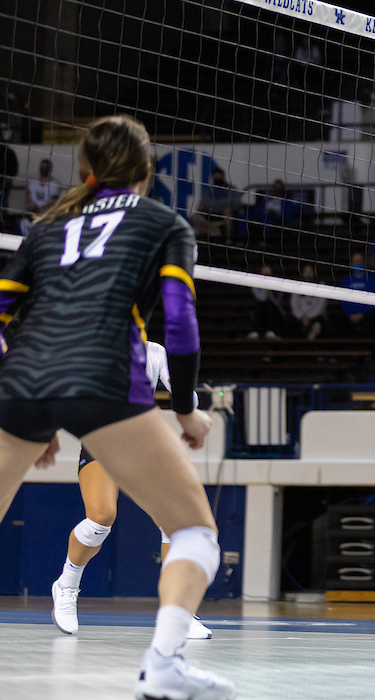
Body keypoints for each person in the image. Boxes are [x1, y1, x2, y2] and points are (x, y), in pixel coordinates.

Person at [0, 116, 232, 698]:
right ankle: (164, 664)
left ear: (86, 172)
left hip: (27, 378)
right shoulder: (163, 222)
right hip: (104, 377)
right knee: (196, 533)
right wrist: (185, 409)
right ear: (148, 173)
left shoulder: (47, 224)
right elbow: (179, 323)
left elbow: (2, 319)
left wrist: (34, 405)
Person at [50, 340, 211, 641]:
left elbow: (188, 399)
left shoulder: (156, 352)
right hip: (101, 440)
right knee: (101, 518)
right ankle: (67, 586)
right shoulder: (88, 345)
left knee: (174, 521)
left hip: (143, 442)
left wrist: (183, 383)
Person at [191, 166, 241, 242]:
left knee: (228, 215)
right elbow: (206, 203)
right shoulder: (207, 191)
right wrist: (224, 203)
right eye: (215, 175)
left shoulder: (231, 190)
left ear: (223, 176)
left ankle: (227, 240)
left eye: (219, 175)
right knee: (195, 217)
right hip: (209, 214)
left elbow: (236, 204)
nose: (217, 177)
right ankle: (198, 238)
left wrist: (220, 206)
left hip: (223, 214)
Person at [339, 252, 375, 334]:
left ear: (364, 262)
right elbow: (343, 300)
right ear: (351, 263)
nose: (357, 264)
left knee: (372, 322)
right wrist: (350, 314)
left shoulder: (372, 279)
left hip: (367, 314)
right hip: (350, 315)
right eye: (355, 262)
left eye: (359, 261)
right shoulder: (346, 280)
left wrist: (362, 314)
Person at [290, 263, 328, 341]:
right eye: (306, 271)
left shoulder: (321, 285)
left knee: (320, 323)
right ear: (302, 273)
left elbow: (321, 306)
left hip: (316, 316)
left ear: (314, 273)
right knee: (291, 324)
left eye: (310, 271)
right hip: (300, 317)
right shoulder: (297, 286)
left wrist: (309, 316)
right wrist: (302, 317)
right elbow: (294, 305)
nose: (308, 273)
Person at [23, 159, 61, 234]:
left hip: (47, 215)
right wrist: (34, 209)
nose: (43, 169)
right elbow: (28, 199)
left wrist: (42, 210)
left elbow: (54, 203)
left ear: (50, 168)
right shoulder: (33, 183)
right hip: (32, 214)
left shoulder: (54, 185)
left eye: (46, 167)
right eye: (42, 167)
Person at [248, 264, 285, 339]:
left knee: (270, 306)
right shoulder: (255, 283)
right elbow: (261, 298)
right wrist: (265, 286)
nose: (266, 276)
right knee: (262, 306)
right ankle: (255, 331)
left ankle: (271, 330)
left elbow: (276, 300)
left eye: (268, 274)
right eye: (264, 274)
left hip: (274, 309)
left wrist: (270, 286)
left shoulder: (277, 284)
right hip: (260, 308)